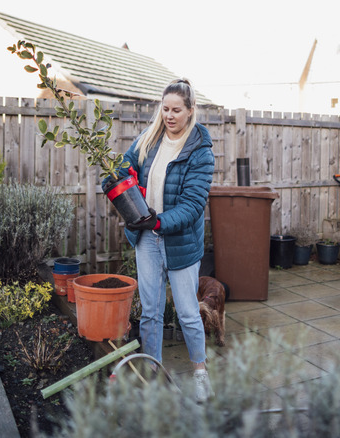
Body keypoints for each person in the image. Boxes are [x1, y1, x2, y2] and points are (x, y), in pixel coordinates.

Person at [115, 78, 215, 402]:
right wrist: (114, 177)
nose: (169, 115)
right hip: (146, 239)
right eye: (165, 108)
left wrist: (158, 220)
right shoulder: (150, 137)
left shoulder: (200, 151)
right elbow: (125, 166)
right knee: (151, 311)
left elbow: (192, 205)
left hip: (180, 242)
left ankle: (200, 372)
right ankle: (151, 371)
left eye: (176, 110)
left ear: (190, 111)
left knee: (187, 312)